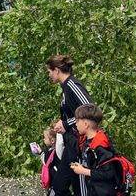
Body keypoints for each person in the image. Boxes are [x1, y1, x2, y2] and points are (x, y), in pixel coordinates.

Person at [46, 55, 95, 196]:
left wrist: (67, 123)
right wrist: (62, 125)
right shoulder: (65, 87)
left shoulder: (73, 85)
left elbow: (91, 110)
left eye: (49, 72)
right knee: (59, 184)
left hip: (80, 144)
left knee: (80, 188)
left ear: (56, 70)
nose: (49, 75)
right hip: (70, 143)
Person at [70, 104, 118, 196]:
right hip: (93, 190)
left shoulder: (101, 145)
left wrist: (83, 171)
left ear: (86, 124)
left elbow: (108, 173)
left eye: (77, 121)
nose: (75, 124)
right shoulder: (86, 141)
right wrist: (82, 167)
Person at [41, 124, 61, 195]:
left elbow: (46, 162)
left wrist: (40, 153)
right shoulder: (53, 150)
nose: (44, 139)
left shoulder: (55, 151)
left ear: (52, 140)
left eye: (45, 138)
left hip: (55, 181)